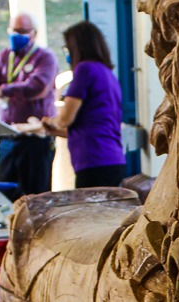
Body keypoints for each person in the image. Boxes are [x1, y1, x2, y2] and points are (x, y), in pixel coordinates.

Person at [41, 20, 125, 188]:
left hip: (94, 161)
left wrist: (49, 121)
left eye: (67, 48)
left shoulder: (84, 70)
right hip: (113, 160)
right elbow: (92, 126)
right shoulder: (107, 73)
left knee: (90, 213)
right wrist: (56, 131)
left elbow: (65, 119)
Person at [0, 12, 58, 201]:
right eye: (14, 30)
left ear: (34, 33)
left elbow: (37, 88)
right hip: (8, 136)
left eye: (23, 31)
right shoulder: (3, 56)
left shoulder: (45, 58)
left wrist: (3, 90)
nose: (17, 35)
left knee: (36, 198)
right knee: (5, 194)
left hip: (35, 139)